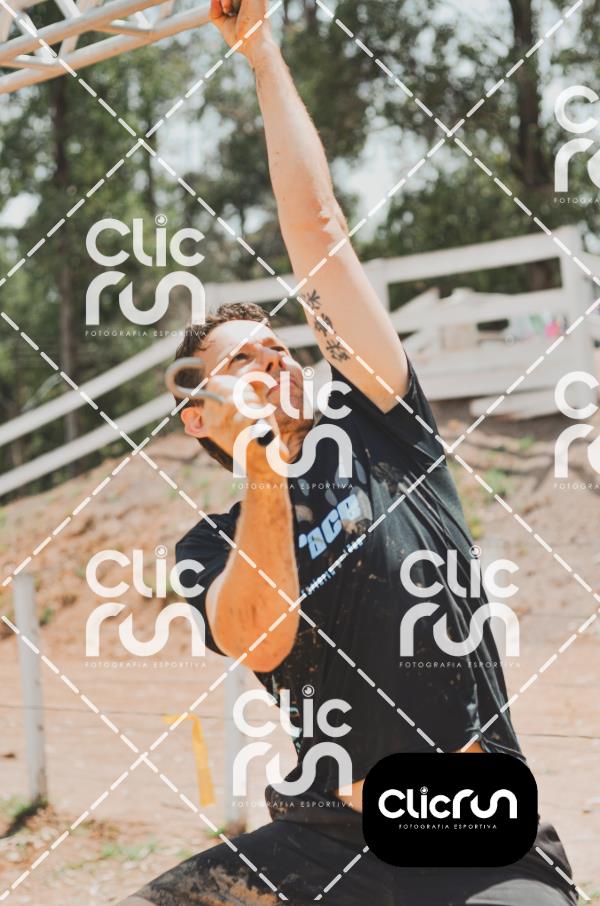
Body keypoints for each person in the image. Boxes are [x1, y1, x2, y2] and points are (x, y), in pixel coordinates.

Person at [120, 1, 576, 903]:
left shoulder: (381, 432)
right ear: (197, 418)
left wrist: (261, 56)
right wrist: (264, 472)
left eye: (277, 347)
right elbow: (262, 633)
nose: (272, 361)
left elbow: (319, 227)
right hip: (321, 840)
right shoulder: (209, 547)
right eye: (241, 362)